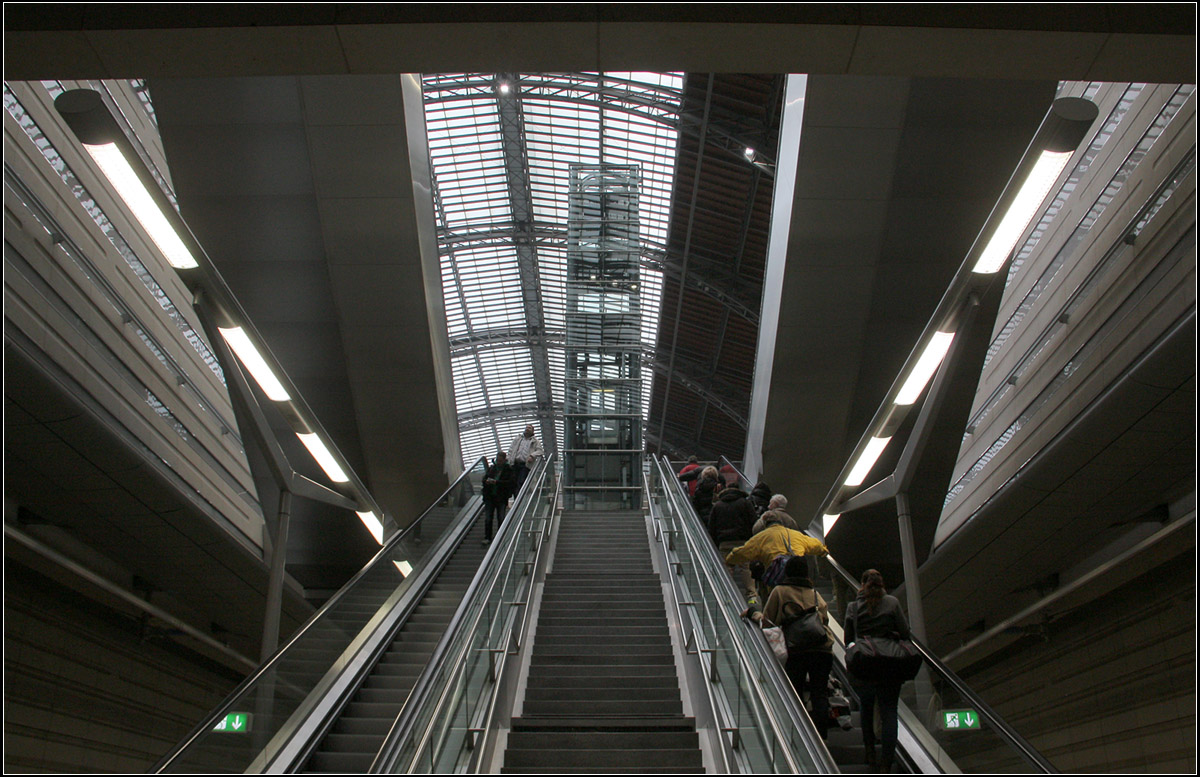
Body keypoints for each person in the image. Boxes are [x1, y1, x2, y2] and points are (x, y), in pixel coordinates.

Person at [843, 569, 910, 773]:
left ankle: (870, 752)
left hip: (865, 666)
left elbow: (848, 639)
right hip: (890, 665)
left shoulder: (853, 607)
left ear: (863, 585)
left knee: (866, 708)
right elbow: (905, 633)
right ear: (882, 584)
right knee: (889, 712)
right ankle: (886, 763)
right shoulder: (892, 603)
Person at [763, 556, 834, 740]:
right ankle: (821, 737)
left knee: (795, 692)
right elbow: (824, 619)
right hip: (822, 650)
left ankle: (799, 735)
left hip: (796, 650)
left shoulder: (780, 591)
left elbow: (767, 620)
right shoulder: (815, 594)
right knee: (819, 693)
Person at [724, 511, 827, 602]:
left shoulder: (761, 537)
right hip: (799, 579)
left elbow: (742, 552)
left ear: (765, 523)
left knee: (775, 604)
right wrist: (823, 551)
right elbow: (816, 545)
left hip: (777, 581)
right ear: (780, 522)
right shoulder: (796, 535)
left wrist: (729, 560)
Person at [706, 480, 759, 606]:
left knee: (727, 567)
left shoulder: (717, 506)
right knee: (745, 567)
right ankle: (752, 596)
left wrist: (715, 542)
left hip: (724, 542)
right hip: (742, 540)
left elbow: (711, 527)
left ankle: (727, 596)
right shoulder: (745, 503)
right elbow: (754, 521)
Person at [481, 451, 514, 545]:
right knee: (488, 518)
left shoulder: (508, 470)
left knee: (501, 517)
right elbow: (484, 479)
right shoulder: (492, 468)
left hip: (501, 498)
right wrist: (487, 481)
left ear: (504, 460)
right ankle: (488, 536)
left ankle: (500, 537)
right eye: (497, 460)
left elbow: (510, 483)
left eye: (500, 461)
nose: (498, 462)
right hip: (490, 497)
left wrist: (497, 482)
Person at [507, 424, 543, 497]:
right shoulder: (518, 439)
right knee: (513, 481)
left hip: (525, 465)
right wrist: (509, 459)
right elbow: (511, 449)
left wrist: (532, 456)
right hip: (515, 463)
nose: (527, 429)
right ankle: (516, 497)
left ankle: (518, 498)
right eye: (526, 427)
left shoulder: (535, 441)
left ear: (532, 431)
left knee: (521, 481)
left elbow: (540, 451)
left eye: (529, 428)